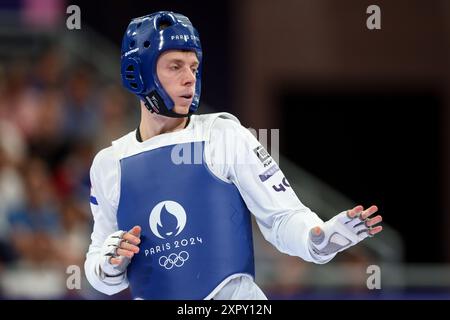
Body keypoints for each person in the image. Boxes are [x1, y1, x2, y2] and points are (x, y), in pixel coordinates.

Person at [84, 11, 383, 300]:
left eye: (194, 67)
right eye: (175, 66)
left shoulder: (223, 135)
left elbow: (282, 217)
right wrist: (111, 263)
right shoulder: (109, 164)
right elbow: (100, 274)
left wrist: (319, 238)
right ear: (139, 72)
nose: (190, 78)